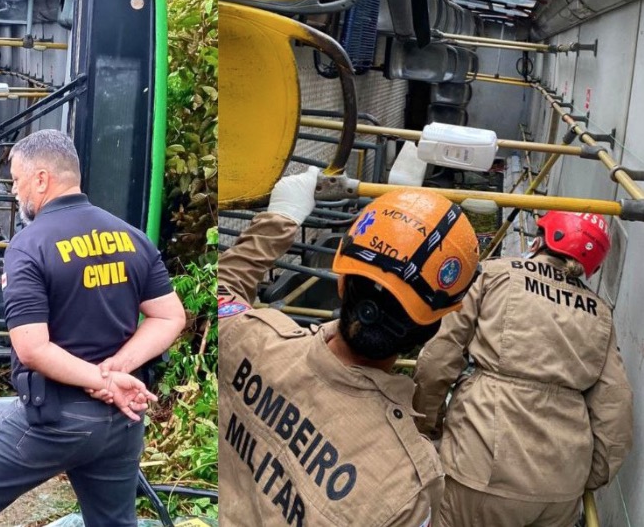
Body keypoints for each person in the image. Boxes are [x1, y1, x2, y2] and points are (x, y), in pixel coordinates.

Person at [0, 129, 186, 527]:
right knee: (113, 522)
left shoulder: (29, 246)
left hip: (55, 420)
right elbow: (170, 316)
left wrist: (102, 380)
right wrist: (117, 371)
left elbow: (32, 348)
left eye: (16, 179)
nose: (14, 191)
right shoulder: (131, 237)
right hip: (121, 422)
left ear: (43, 179)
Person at [219, 168, 480, 527]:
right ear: (431, 328)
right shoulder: (405, 486)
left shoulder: (250, 338)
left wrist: (281, 218)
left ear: (341, 283)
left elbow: (221, 291)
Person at [413, 211, 634, 527]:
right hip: (560, 490)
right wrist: (588, 473)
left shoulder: (493, 274)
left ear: (543, 238)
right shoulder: (599, 314)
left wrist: (427, 426)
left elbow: (437, 360)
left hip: (479, 470)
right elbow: (616, 407)